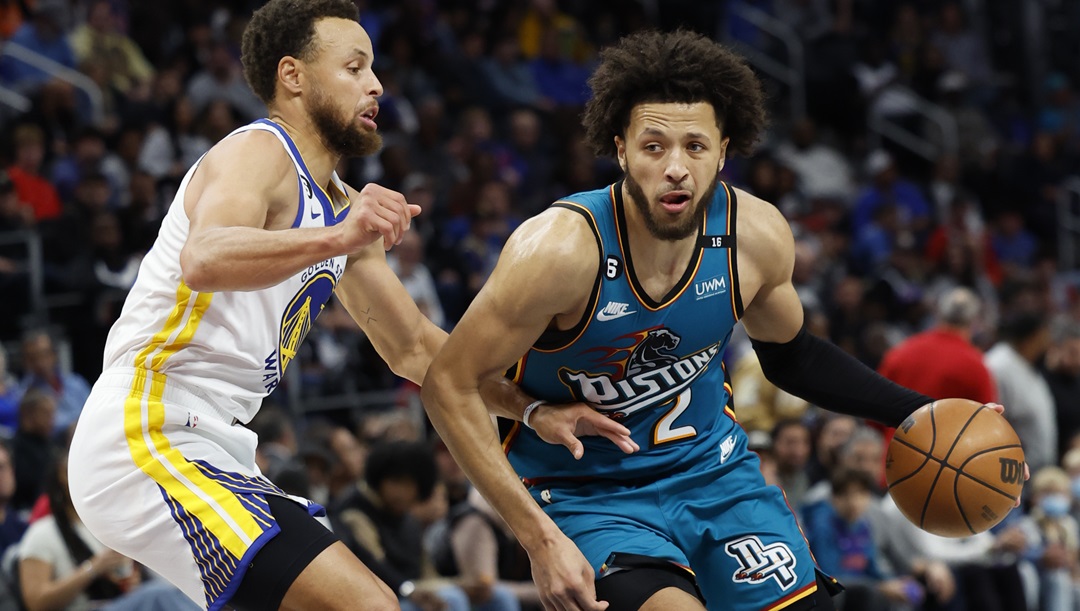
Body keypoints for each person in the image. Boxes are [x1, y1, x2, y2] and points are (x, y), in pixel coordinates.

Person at [421, 29, 1004, 611]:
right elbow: (449, 383)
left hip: (715, 478)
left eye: (695, 147)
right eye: (654, 147)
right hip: (588, 494)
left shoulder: (754, 236)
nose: (676, 167)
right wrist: (538, 537)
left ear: (723, 151)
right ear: (620, 149)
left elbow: (794, 355)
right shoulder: (558, 253)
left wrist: (916, 412)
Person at [66, 2, 613, 610]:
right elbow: (205, 256)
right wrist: (339, 236)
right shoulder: (260, 149)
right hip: (148, 423)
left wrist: (530, 409)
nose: (375, 84)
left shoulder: (340, 204)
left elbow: (417, 350)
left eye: (373, 68)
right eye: (353, 67)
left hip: (216, 441)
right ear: (293, 76)